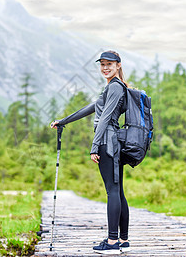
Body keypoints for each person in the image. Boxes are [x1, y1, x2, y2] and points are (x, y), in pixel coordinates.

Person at [50, 50, 130, 255]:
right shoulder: (112, 87)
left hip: (108, 143)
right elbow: (92, 108)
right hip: (113, 142)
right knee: (117, 190)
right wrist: (63, 121)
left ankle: (113, 242)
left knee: (112, 191)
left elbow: (105, 119)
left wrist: (95, 146)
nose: (105, 68)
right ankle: (122, 239)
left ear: (118, 66)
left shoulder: (115, 87)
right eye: (102, 64)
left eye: (109, 64)